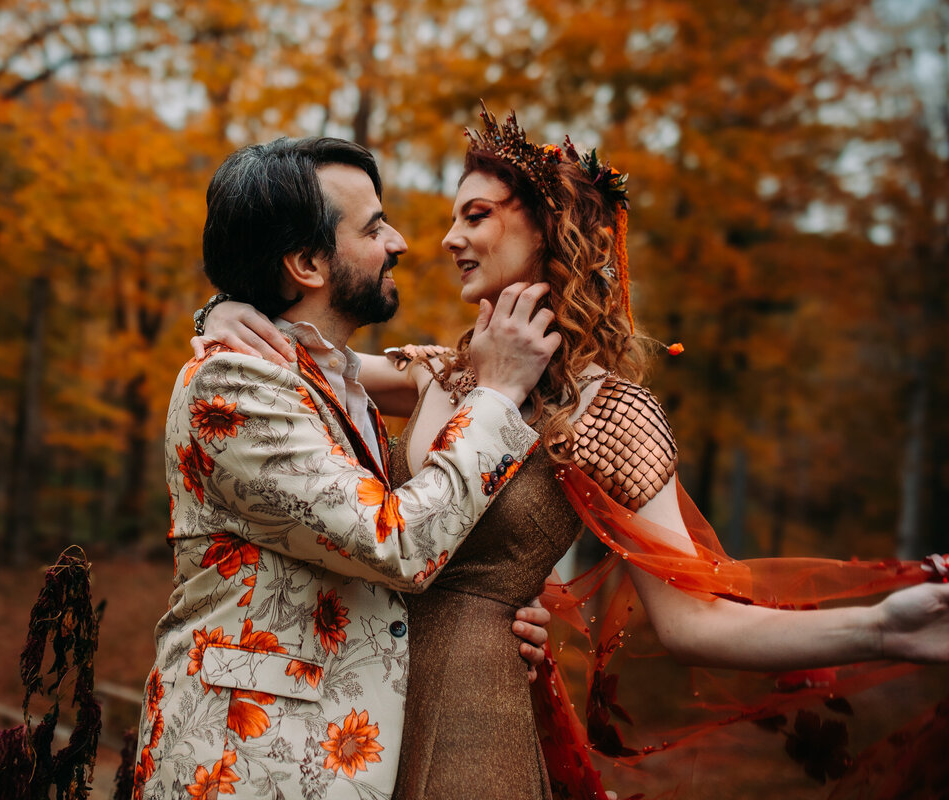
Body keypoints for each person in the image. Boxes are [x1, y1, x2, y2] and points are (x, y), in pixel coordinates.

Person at [197, 106, 949, 799]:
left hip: (469, 708)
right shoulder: (442, 371)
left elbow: (696, 625)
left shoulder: (609, 413)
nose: (447, 239)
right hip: (350, 712)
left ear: (551, 230)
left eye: (477, 215)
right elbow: (293, 363)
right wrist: (226, 304)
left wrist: (885, 625)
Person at [135, 136, 565, 800]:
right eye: (372, 227)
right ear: (307, 263)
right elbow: (395, 543)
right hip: (244, 771)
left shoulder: (324, 374)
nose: (399, 241)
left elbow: (432, 382)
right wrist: (498, 394)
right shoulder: (233, 387)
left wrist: (492, 604)